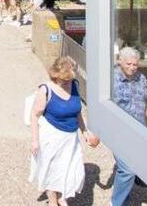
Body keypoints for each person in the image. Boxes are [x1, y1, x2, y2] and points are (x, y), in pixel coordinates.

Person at [29, 57, 99, 205]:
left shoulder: (74, 85)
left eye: (70, 79)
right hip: (52, 135)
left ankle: (63, 195)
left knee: (69, 167)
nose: (68, 83)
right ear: (56, 75)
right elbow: (34, 115)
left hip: (71, 137)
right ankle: (53, 200)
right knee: (52, 168)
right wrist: (35, 140)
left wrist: (85, 132)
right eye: (65, 80)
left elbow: (77, 112)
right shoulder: (45, 90)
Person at [111, 47, 147, 206]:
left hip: (139, 131)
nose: (132, 68)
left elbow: (146, 104)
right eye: (128, 64)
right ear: (120, 61)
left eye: (135, 64)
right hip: (119, 132)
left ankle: (132, 188)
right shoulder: (111, 80)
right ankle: (117, 203)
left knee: (135, 166)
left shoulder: (142, 78)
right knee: (127, 170)